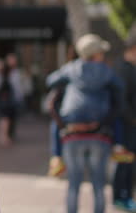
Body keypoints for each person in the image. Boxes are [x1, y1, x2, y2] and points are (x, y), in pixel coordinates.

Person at [46, 33, 123, 213]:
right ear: (97, 54)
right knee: (98, 185)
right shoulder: (106, 71)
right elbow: (120, 88)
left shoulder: (71, 69)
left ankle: (55, 156)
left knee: (74, 184)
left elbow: (50, 81)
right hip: (100, 134)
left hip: (73, 134)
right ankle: (119, 146)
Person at [112, 26, 136, 212]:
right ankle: (121, 197)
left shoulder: (129, 68)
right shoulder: (122, 69)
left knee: (129, 164)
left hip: (130, 126)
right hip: (125, 128)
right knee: (125, 164)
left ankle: (125, 196)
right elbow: (121, 103)